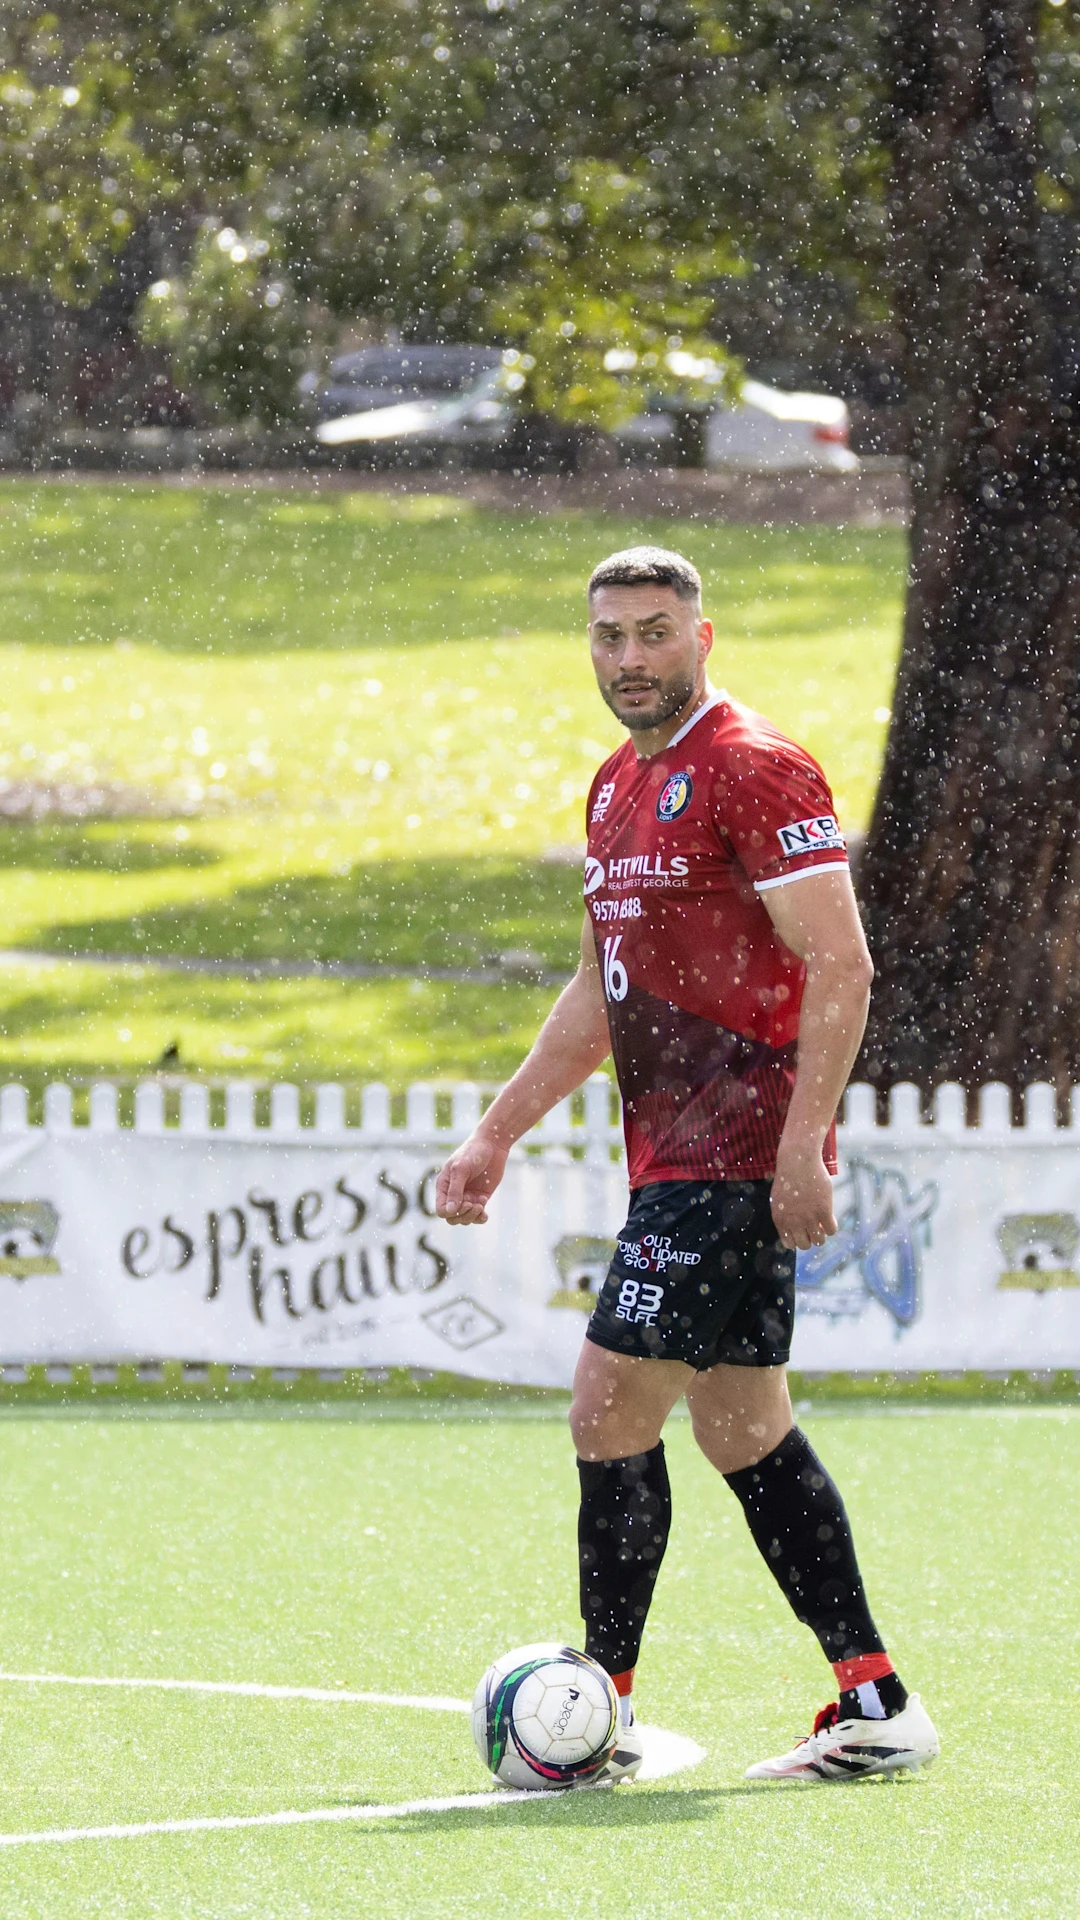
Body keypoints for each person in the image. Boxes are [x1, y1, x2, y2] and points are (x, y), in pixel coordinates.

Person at [435, 545, 939, 1785]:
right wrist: (496, 1131)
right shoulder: (615, 786)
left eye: (654, 634)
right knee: (742, 1427)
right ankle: (875, 1701)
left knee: (609, 1407)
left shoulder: (755, 766)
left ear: (702, 638)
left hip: (737, 1160)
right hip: (675, 1162)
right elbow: (599, 990)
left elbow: (842, 961)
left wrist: (801, 1151)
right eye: (610, 637)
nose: (630, 659)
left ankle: (595, 1714)